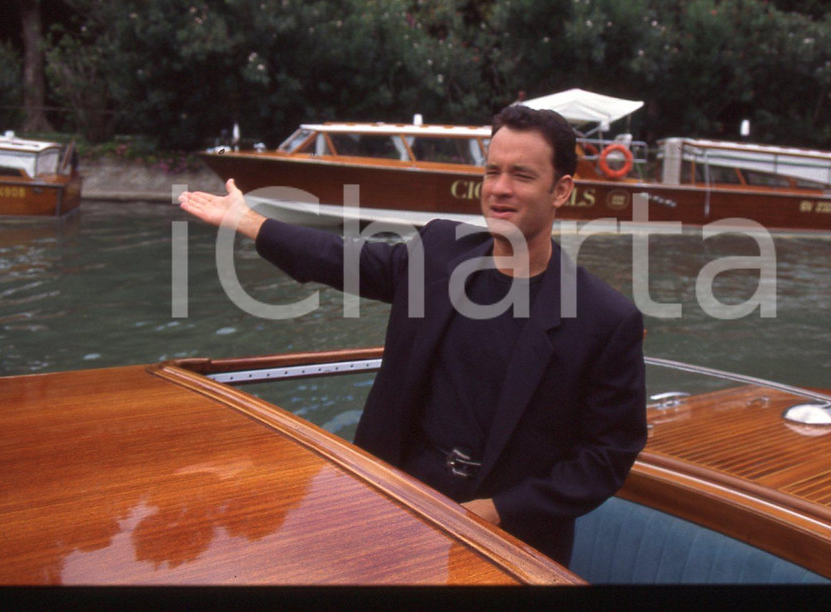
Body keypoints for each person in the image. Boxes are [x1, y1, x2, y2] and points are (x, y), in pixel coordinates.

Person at [178, 105, 646, 566]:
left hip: (509, 542)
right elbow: (340, 257)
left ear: (561, 189)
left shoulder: (605, 320)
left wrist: (497, 511)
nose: (500, 189)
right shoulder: (439, 252)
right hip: (393, 499)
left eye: (521, 175)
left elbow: (606, 457)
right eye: (492, 172)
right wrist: (247, 220)